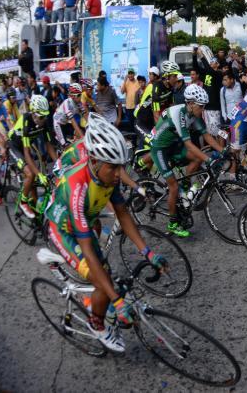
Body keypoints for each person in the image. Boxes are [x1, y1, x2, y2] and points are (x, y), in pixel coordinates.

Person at [44, 115, 166, 352]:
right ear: (96, 161)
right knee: (102, 282)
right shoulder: (76, 187)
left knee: (105, 275)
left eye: (122, 166)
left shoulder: (108, 173)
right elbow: (88, 249)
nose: (120, 174)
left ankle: (99, 300)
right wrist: (118, 301)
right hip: (64, 231)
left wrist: (148, 253)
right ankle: (96, 323)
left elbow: (123, 215)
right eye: (114, 167)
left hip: (85, 223)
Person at [148, 84, 224, 237]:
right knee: (173, 187)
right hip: (160, 149)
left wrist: (223, 152)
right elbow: (189, 144)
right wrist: (209, 160)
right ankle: (172, 223)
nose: (203, 110)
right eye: (201, 106)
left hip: (174, 145)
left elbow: (207, 136)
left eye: (204, 106)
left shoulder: (194, 115)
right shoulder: (180, 114)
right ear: (190, 103)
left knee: (196, 159)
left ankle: (184, 195)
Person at [11, 94, 58, 218]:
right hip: (15, 147)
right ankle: (23, 201)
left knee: (35, 183)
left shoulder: (44, 122)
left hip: (26, 147)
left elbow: (49, 146)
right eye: (41, 116)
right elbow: (26, 153)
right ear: (34, 113)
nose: (44, 119)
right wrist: (39, 174)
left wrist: (59, 164)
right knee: (31, 174)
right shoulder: (26, 120)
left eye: (45, 115)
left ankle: (35, 210)